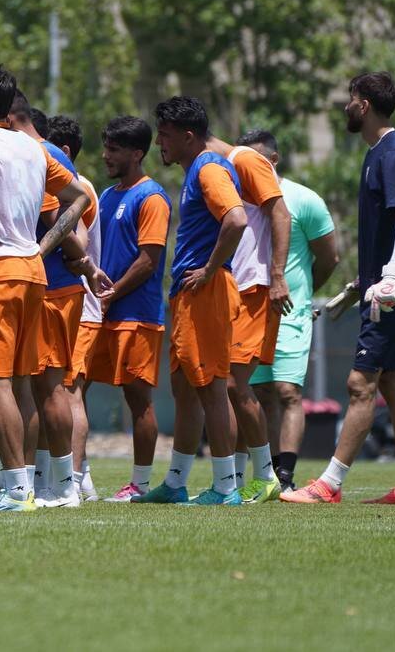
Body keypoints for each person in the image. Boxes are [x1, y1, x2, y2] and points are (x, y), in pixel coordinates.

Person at [0, 66, 100, 513]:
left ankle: (17, 490)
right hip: (33, 272)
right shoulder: (36, 149)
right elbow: (80, 197)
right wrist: (43, 246)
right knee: (32, 383)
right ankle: (43, 485)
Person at [283, 71, 395, 505]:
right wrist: (362, 282)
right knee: (394, 380)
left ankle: (328, 484)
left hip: (394, 291)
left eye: (350, 99)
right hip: (389, 285)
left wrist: (391, 276)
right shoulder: (378, 152)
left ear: (363, 105)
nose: (345, 107)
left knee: (359, 383)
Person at [134, 97, 246, 506]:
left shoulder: (208, 168)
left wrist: (210, 269)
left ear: (187, 136)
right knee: (185, 388)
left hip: (207, 292)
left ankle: (226, 487)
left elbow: (236, 218)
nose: (158, 143)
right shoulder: (196, 169)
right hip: (190, 293)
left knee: (212, 387)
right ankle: (176, 481)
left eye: (164, 135)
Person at [239, 129, 339, 493]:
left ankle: (286, 475)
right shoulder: (237, 199)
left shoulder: (304, 199)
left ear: (273, 159)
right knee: (259, 393)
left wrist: (304, 292)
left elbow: (329, 258)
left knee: (287, 391)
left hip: (289, 313)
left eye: (255, 159)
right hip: (249, 312)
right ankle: (264, 473)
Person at [204, 124, 291, 503]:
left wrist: (277, 276)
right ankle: (238, 478)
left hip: (254, 288)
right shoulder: (219, 168)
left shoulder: (245, 160)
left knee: (235, 385)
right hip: (232, 290)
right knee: (229, 386)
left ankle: (267, 475)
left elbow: (281, 215)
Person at [87, 117, 171, 502]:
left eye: (114, 149)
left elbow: (148, 260)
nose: (106, 155)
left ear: (137, 154)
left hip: (136, 314)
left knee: (137, 399)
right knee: (73, 386)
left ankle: (140, 484)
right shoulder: (106, 195)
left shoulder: (151, 197)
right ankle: (75, 476)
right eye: (106, 147)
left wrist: (112, 293)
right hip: (101, 312)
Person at [45, 114, 102, 502]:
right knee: (60, 388)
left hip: (79, 302)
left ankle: (75, 479)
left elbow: (76, 242)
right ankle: (75, 478)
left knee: (69, 390)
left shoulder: (78, 187)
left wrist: (83, 264)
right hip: (76, 297)